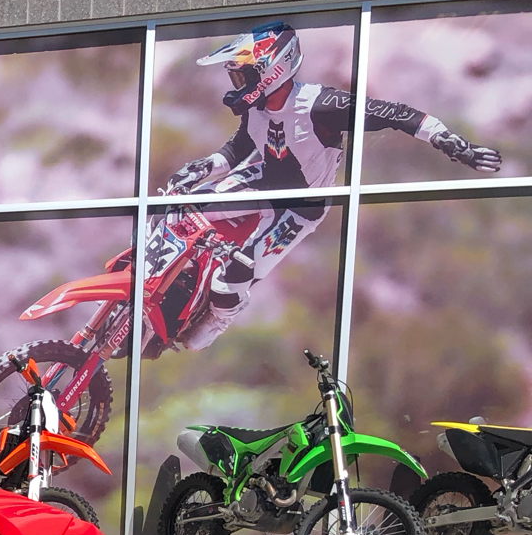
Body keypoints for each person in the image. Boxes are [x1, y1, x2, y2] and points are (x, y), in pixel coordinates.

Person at [162, 21, 501, 348]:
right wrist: (202, 168)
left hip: (300, 208)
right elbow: (239, 148)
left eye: (243, 75)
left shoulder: (321, 105)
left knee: (231, 280)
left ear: (273, 69)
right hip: (262, 182)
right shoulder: (257, 104)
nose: (237, 85)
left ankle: (221, 316)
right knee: (175, 211)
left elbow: (395, 113)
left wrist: (450, 141)